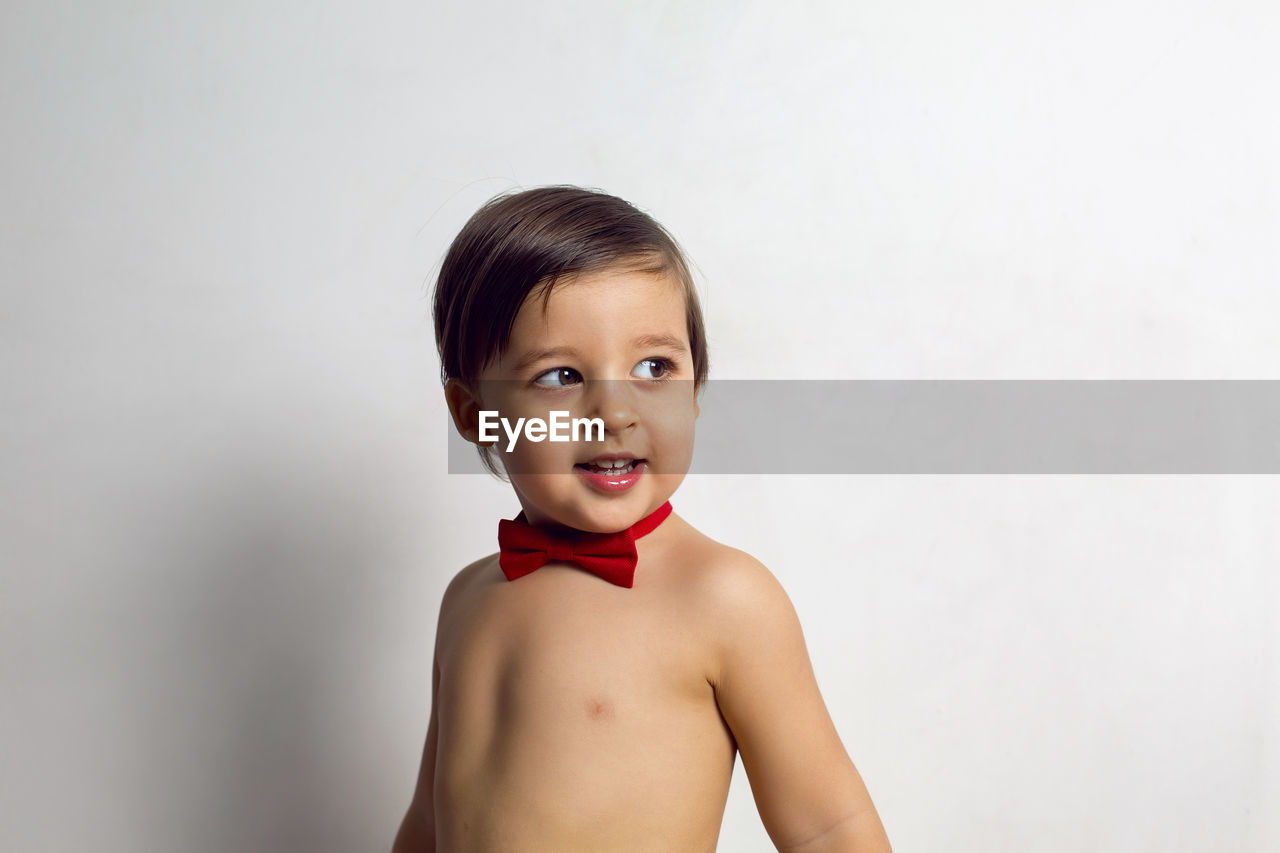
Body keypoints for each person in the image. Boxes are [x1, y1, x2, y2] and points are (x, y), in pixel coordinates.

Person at [392, 186, 891, 852]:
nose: (616, 411)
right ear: (471, 413)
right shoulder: (467, 599)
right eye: (560, 375)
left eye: (654, 367)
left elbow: (829, 826)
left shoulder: (724, 597)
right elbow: (429, 821)